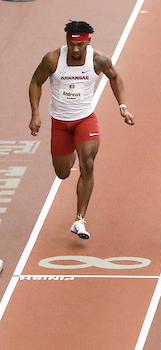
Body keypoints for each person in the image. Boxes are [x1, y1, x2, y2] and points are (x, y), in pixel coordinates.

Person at [27, 21, 135, 239]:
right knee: (63, 173)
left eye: (81, 45)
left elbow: (115, 78)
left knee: (88, 162)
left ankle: (79, 220)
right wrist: (35, 113)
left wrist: (122, 106)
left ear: (88, 41)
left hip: (85, 120)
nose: (76, 50)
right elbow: (35, 83)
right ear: (67, 41)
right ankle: (73, 148)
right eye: (71, 44)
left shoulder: (99, 59)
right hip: (60, 123)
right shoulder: (53, 60)